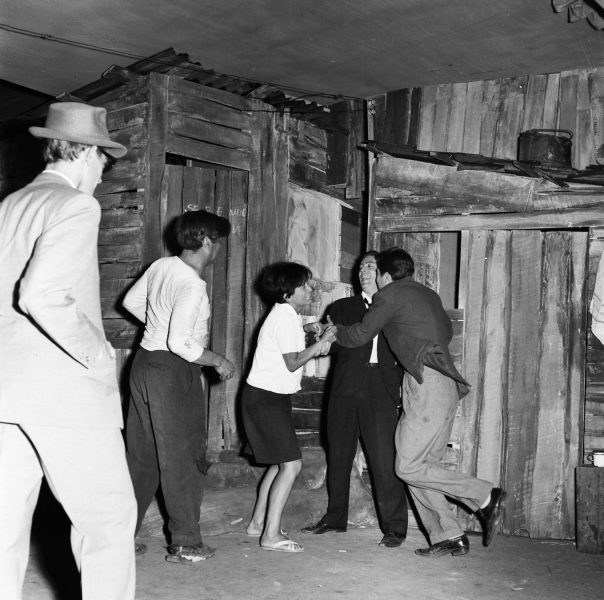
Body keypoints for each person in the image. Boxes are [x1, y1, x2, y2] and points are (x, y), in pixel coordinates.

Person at [0, 102, 137, 600]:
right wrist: (96, 353)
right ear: (86, 153)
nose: (103, 174)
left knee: (4, 527)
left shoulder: (10, 205)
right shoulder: (76, 205)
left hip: (6, 392)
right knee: (108, 520)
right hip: (62, 394)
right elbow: (40, 294)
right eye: (105, 161)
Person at [333, 247, 505, 558]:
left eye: (376, 273)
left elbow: (360, 334)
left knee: (407, 465)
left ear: (385, 275)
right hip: (444, 384)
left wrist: (336, 332)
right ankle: (448, 535)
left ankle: (484, 495)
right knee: (422, 466)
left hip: (425, 383)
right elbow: (446, 333)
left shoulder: (389, 295)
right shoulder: (429, 295)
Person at [122, 209, 235, 565]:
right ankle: (186, 542)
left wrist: (159, 324)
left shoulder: (161, 266)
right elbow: (181, 343)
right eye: (218, 243)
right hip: (172, 370)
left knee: (142, 457)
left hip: (143, 363)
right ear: (207, 243)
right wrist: (217, 360)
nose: (218, 250)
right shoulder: (192, 284)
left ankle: (119, 538)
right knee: (183, 456)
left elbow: (131, 302)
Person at [301, 251, 408, 548]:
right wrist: (315, 333)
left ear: (382, 273)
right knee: (339, 454)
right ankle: (335, 518)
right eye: (361, 267)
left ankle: (394, 528)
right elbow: (327, 345)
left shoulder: (396, 307)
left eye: (370, 266)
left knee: (384, 459)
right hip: (345, 387)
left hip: (381, 389)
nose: (363, 271)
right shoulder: (342, 307)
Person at [242, 262, 336, 553]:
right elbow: (293, 362)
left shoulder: (287, 315)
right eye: (304, 285)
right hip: (265, 399)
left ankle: (258, 523)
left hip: (269, 397)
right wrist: (322, 343)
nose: (310, 289)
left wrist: (308, 331)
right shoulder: (283, 316)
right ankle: (270, 535)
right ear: (287, 293)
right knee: (292, 465)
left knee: (278, 462)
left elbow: (286, 347)